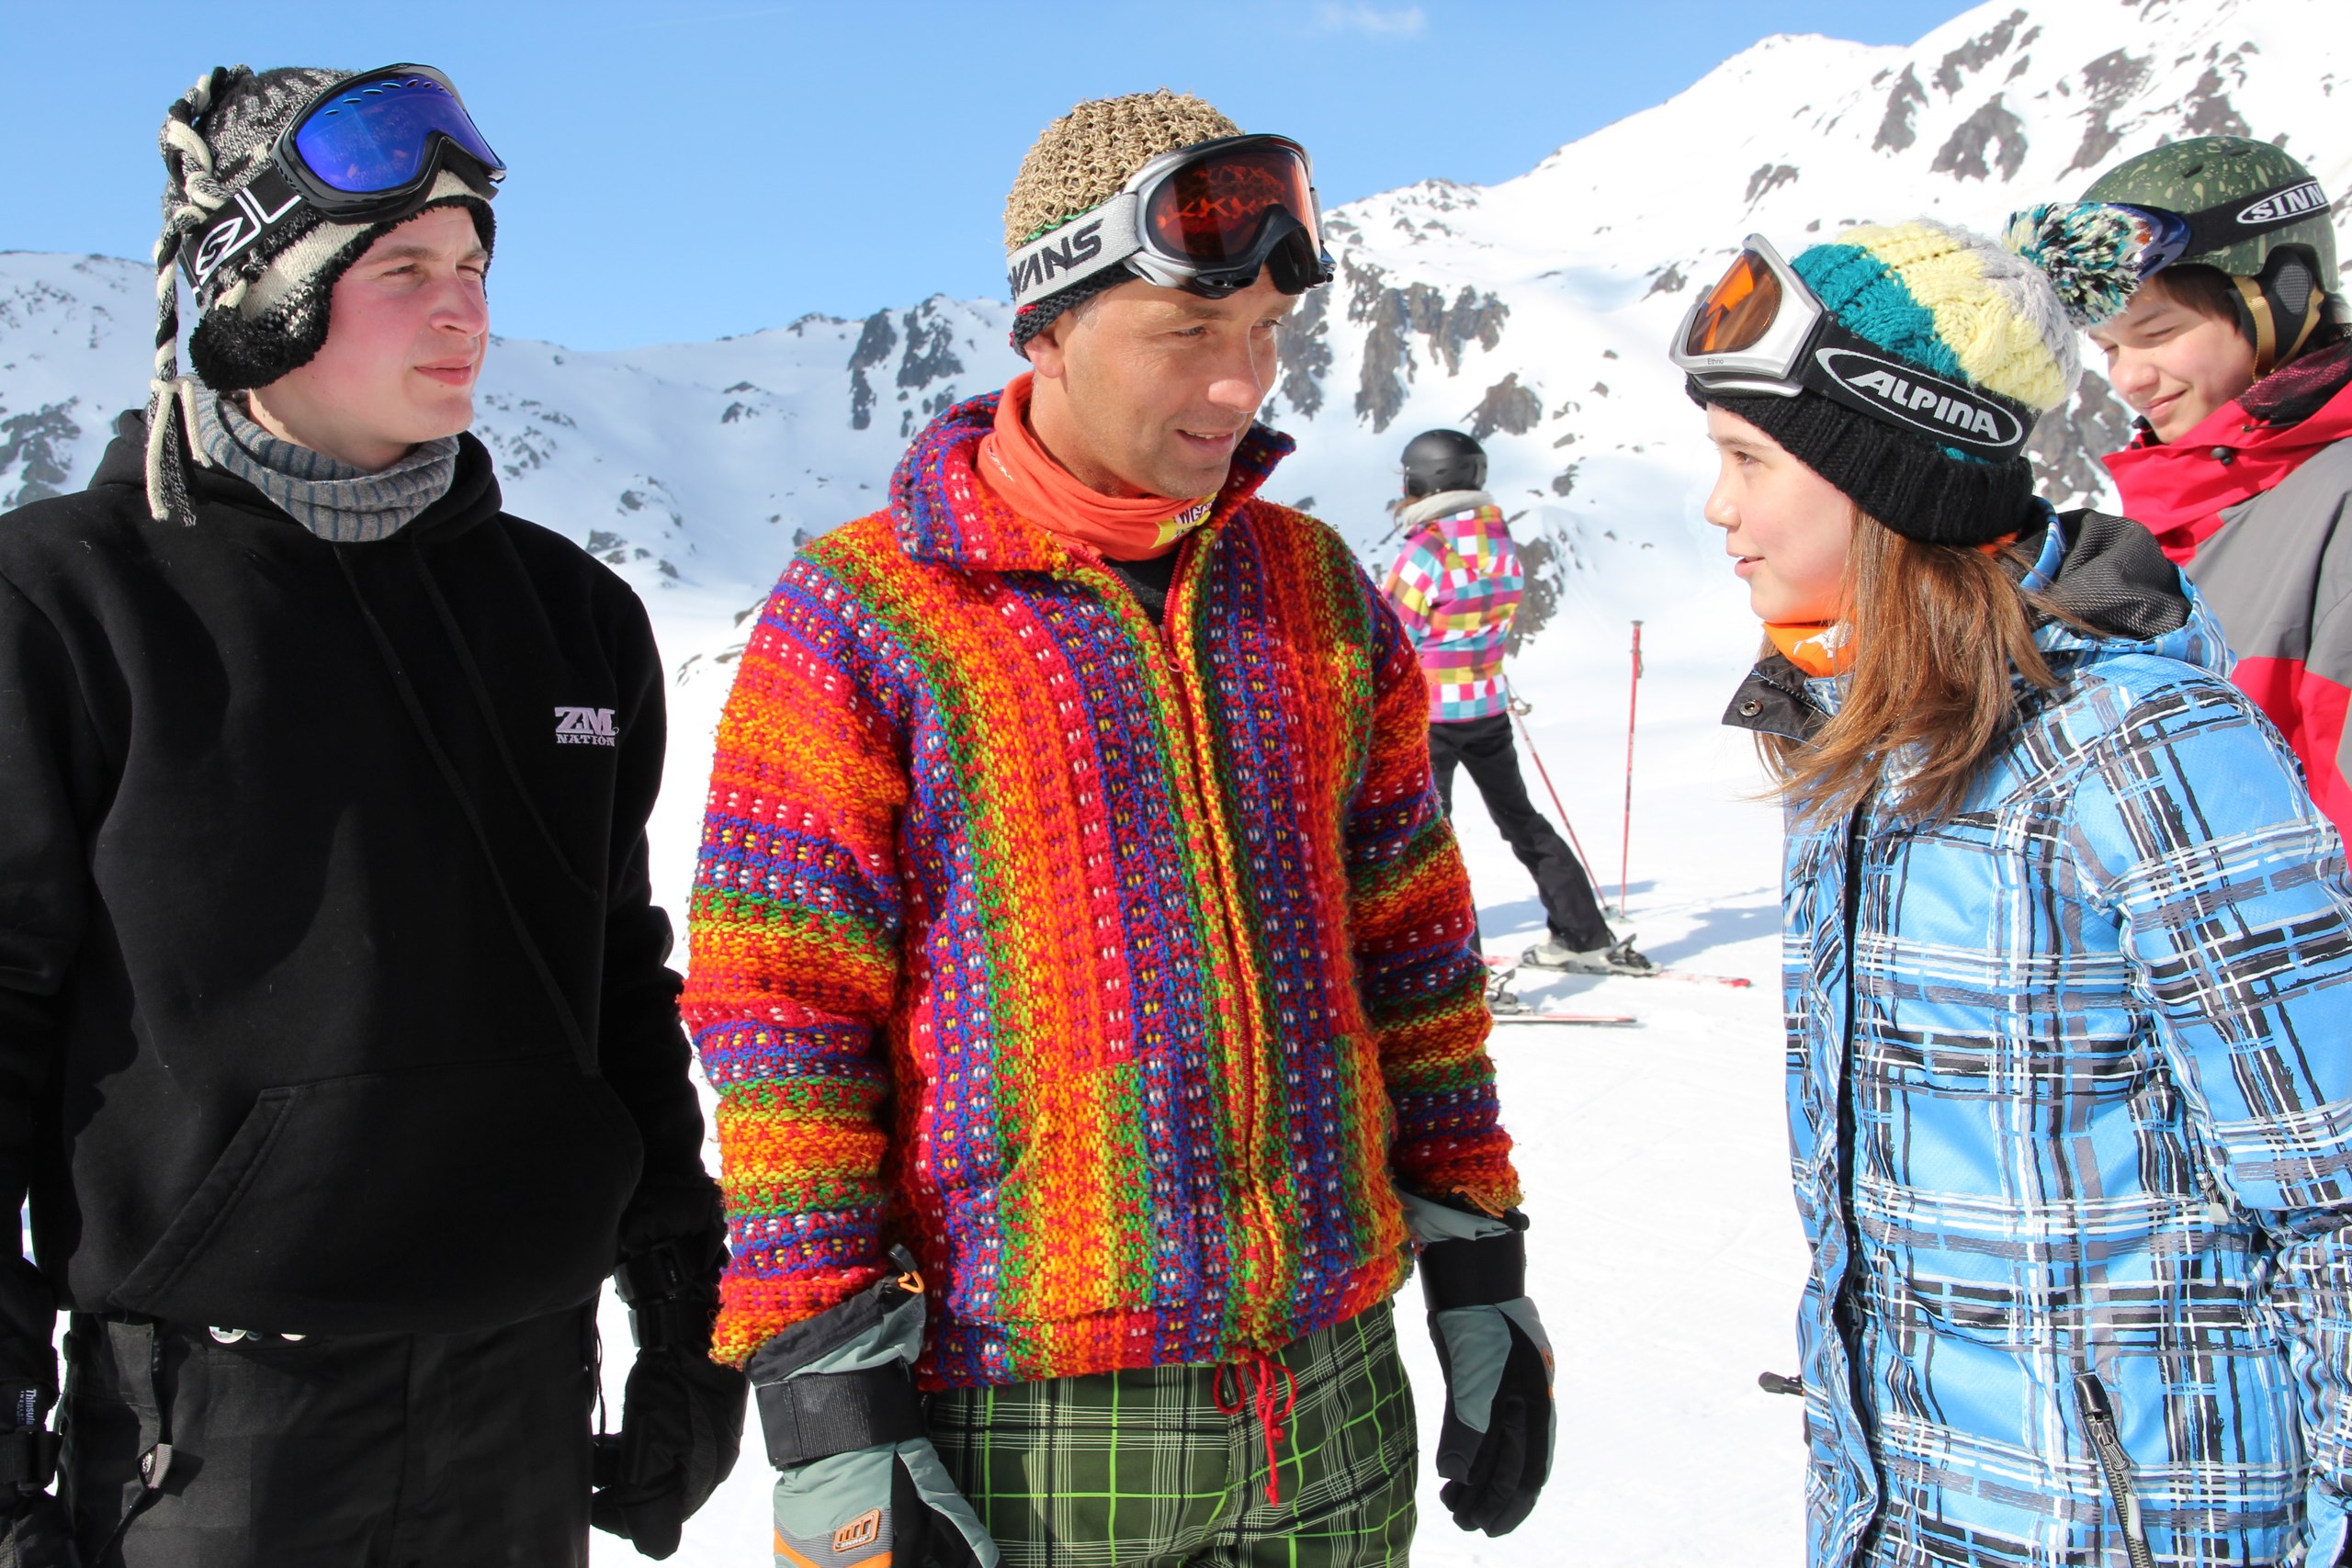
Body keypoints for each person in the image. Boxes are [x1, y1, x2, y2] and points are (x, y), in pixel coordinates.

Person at [685, 92, 1554, 1568]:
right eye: (1188, 332)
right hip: (1024, 1417)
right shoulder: (867, 614)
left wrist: (1477, 1262)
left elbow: (1414, 947)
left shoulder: (1313, 585)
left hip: (1334, 1394)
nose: (1240, 384)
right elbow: (783, 1018)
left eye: (1266, 331)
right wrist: (831, 1406)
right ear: (1049, 325)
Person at [0, 66, 741, 1565]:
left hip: (522, 1410)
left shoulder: (571, 619)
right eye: (403, 270)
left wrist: (683, 1311)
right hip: (207, 1436)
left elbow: (613, 981)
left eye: (472, 266)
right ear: (259, 295)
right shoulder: (68, 603)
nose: (464, 310)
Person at [1679, 212, 2352, 1566]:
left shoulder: (2136, 749)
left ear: (1886, 468)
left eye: (1748, 458)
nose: (1718, 505)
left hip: (2139, 1520)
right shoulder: (1855, 742)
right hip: (1909, 1509)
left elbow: (2330, 1189)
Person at [2073, 138, 2352, 829]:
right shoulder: (2175, 523)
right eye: (2109, 348)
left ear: (2283, 297)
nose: (2129, 378)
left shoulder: (2337, 506)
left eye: (2157, 332)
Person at [1377, 428, 1650, 991]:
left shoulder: (1425, 550)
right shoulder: (1499, 539)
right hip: (1486, 705)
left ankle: (1462, 974)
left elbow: (1390, 637)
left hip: (1428, 718)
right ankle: (1584, 936)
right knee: (1521, 820)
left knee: (1433, 840)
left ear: (1423, 479)